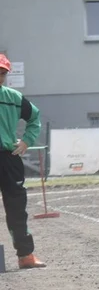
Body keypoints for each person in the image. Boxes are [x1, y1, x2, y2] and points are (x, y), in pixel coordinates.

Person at [0, 55, 46, 269]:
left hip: (9, 159)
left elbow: (34, 119)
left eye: (2, 73)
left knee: (18, 208)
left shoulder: (14, 97)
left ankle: (25, 256)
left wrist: (27, 141)